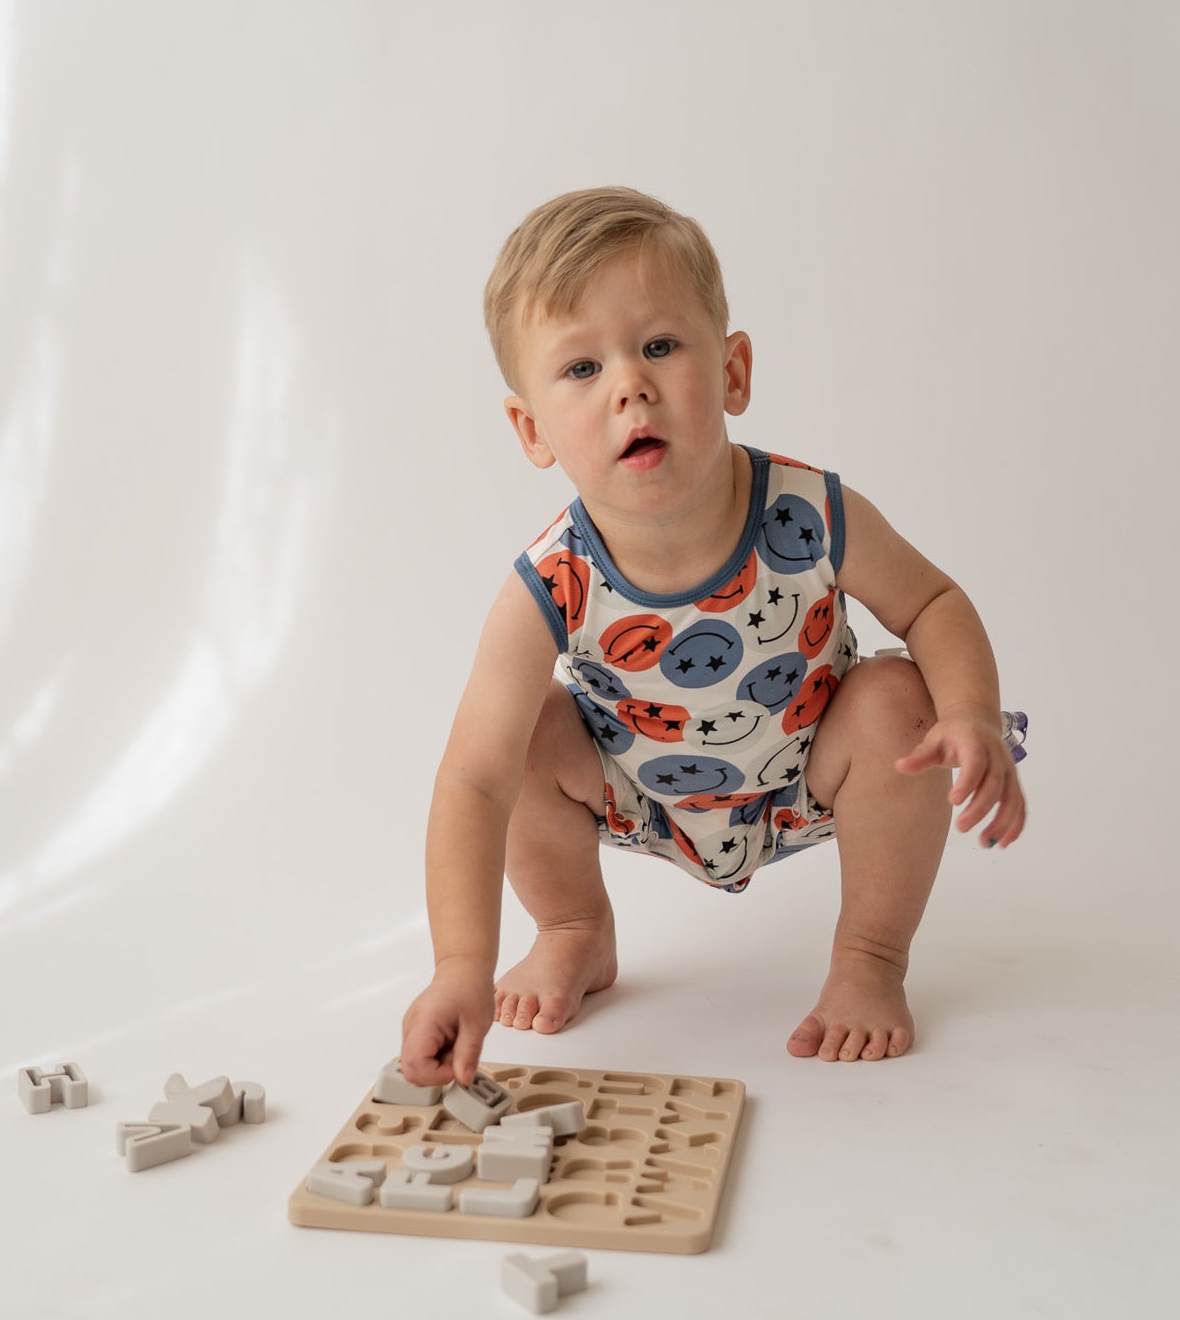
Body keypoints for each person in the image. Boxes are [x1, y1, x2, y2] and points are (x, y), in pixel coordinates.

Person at [400, 187, 1026, 1087]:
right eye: (582, 368)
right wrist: (460, 965)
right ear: (532, 429)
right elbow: (474, 779)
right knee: (521, 731)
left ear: (732, 372)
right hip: (638, 794)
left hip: (811, 773)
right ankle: (573, 927)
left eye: (659, 346)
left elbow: (933, 603)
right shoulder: (551, 583)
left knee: (899, 699)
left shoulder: (810, 514)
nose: (630, 385)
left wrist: (970, 711)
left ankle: (871, 957)